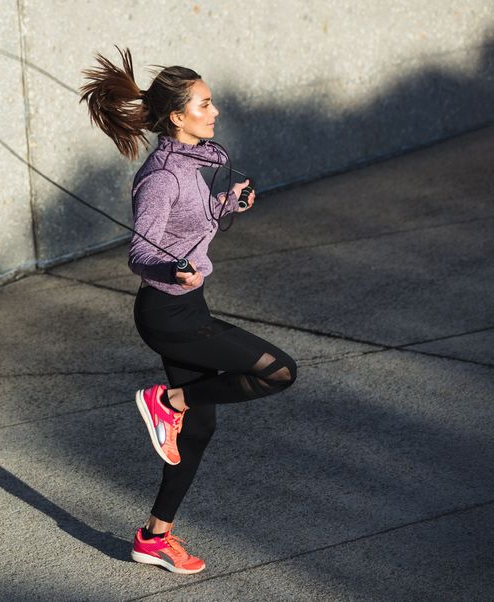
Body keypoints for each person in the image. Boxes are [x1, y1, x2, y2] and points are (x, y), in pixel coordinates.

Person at [80, 48, 298, 574]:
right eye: (205, 103)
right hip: (170, 315)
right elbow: (142, 250)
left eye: (212, 100)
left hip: (185, 307)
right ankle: (168, 399)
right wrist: (173, 267)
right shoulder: (161, 177)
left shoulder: (192, 164)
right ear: (178, 117)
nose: (215, 110)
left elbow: (189, 221)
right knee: (279, 371)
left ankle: (154, 537)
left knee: (198, 433)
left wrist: (226, 205)